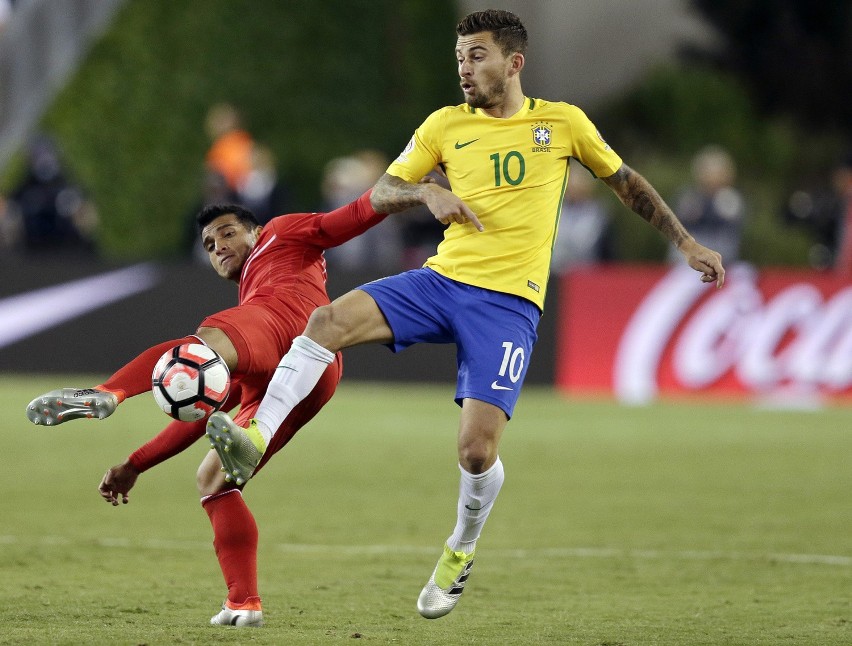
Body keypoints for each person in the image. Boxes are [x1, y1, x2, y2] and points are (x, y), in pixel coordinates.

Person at [204, 8, 725, 621]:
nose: (465, 69)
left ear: (514, 62)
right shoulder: (444, 126)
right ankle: (256, 436)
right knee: (325, 323)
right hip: (440, 281)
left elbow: (626, 183)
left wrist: (686, 242)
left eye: (477, 55)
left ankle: (460, 549)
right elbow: (382, 193)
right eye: (459, 58)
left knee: (476, 453)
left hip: (508, 306)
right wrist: (426, 190)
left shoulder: (562, 123)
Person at [25, 191, 389, 627]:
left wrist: (400, 189)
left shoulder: (279, 233)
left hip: (287, 322)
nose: (218, 246)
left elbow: (345, 220)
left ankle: (109, 393)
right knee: (215, 479)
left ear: (254, 231)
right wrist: (136, 464)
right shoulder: (247, 308)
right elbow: (199, 422)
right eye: (209, 244)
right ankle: (243, 603)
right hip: (316, 377)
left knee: (203, 346)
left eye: (228, 233)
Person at [667, 145, 746, 264]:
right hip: (693, 247)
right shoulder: (689, 197)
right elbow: (679, 223)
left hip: (720, 249)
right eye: (708, 172)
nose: (712, 178)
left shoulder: (731, 198)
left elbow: (729, 228)